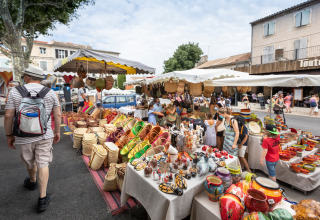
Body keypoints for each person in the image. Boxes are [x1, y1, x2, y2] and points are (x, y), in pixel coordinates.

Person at [4, 66, 61, 212]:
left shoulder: (14, 92)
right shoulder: (50, 93)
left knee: (30, 160)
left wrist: (9, 135)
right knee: (43, 162)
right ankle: (42, 198)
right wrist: (57, 132)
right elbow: (58, 115)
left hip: (23, 136)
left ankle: (32, 181)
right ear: (40, 78)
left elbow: (9, 116)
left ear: (27, 77)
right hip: (45, 135)